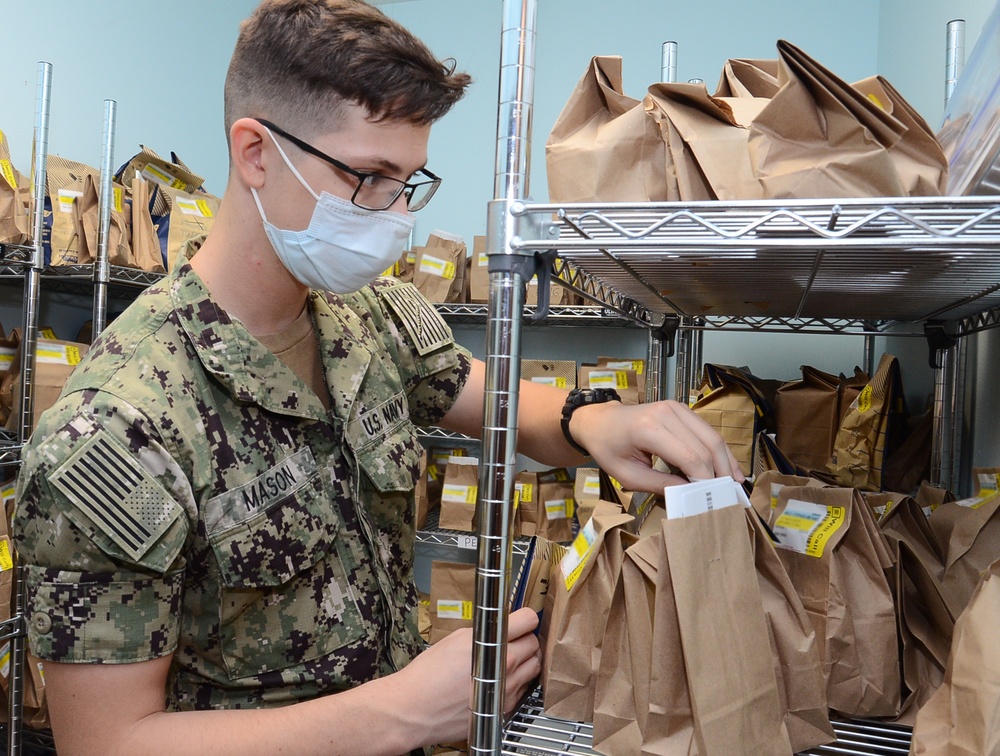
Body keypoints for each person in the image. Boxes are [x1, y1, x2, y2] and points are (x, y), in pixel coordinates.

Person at [11, 1, 741, 754]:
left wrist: (597, 421)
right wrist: (403, 714)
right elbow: (106, 742)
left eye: (407, 180)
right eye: (368, 176)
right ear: (256, 152)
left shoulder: (372, 313)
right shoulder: (115, 427)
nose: (394, 213)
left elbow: (492, 399)